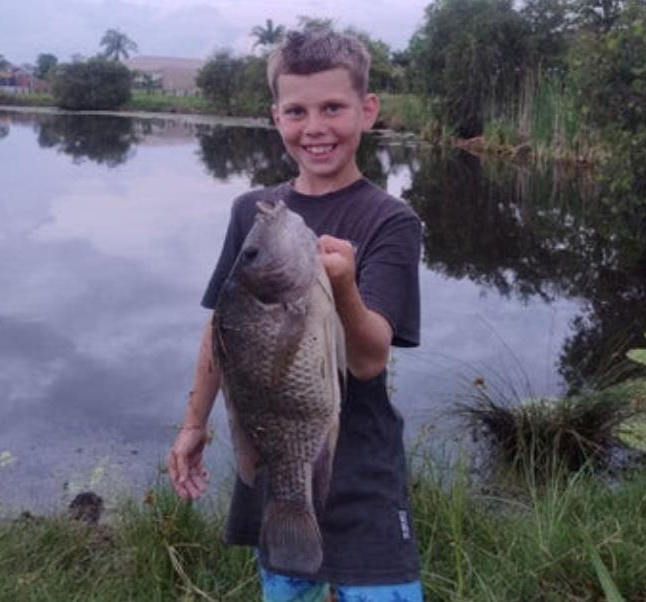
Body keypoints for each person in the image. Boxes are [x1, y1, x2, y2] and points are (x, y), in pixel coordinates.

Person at [167, 27, 423, 602]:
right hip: (274, 444)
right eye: (296, 111)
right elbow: (222, 332)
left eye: (333, 107)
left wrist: (344, 288)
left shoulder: (392, 221)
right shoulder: (249, 213)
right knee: (288, 588)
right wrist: (193, 424)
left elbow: (369, 359)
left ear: (367, 110)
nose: (314, 128)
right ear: (275, 116)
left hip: (364, 468)